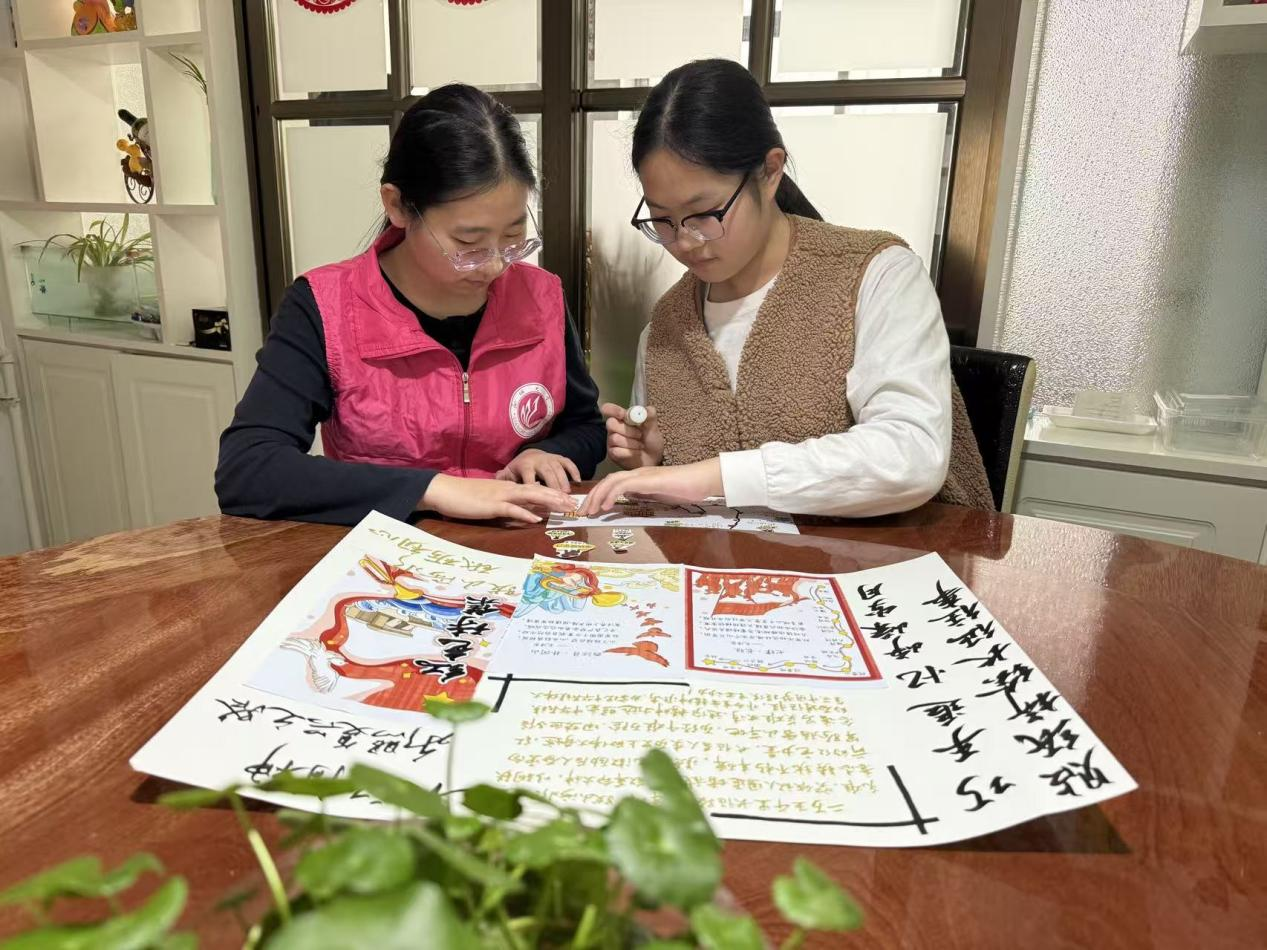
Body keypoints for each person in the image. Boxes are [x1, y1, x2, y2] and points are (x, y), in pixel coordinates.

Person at [579, 59, 993, 517]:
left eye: (705, 214)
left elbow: (910, 453)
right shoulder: (666, 327)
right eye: (662, 220)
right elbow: (680, 498)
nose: (685, 241)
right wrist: (655, 462)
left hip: (886, 557)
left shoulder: (875, 274)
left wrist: (711, 477)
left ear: (770, 171)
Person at [217, 84, 604, 527]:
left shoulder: (541, 295)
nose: (496, 265)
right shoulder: (326, 306)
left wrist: (549, 452)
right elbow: (247, 468)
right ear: (398, 206)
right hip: (388, 553)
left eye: (514, 235)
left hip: (517, 546)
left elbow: (586, 427)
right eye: (468, 242)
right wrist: (432, 489)